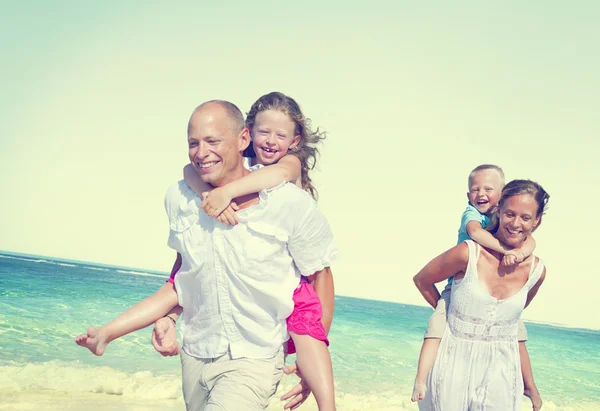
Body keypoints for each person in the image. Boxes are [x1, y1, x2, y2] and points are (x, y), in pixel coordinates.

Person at [75, 99, 338, 411]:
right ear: (252, 134)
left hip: (254, 357)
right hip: (196, 353)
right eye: (193, 143)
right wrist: (113, 331)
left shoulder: (288, 201)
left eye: (213, 141)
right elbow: (183, 277)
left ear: (242, 140)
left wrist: (312, 362)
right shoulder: (180, 198)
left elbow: (320, 277)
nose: (201, 152)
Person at [181, 92, 336, 411]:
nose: (270, 141)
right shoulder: (236, 163)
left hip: (288, 271)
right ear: (247, 132)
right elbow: (188, 170)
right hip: (243, 277)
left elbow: (277, 176)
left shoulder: (286, 165)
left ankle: (327, 405)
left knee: (309, 325)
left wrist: (224, 193)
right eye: (264, 132)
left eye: (281, 135)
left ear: (295, 141)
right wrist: (208, 195)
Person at [411, 165, 543, 410]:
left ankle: (529, 387)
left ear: (537, 221)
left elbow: (514, 327)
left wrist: (531, 386)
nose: (515, 223)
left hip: (502, 375)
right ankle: (420, 379)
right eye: (510, 214)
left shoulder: (536, 270)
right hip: (452, 369)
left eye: (525, 217)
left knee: (517, 327)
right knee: (436, 327)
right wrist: (449, 311)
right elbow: (421, 280)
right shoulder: (468, 246)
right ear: (500, 210)